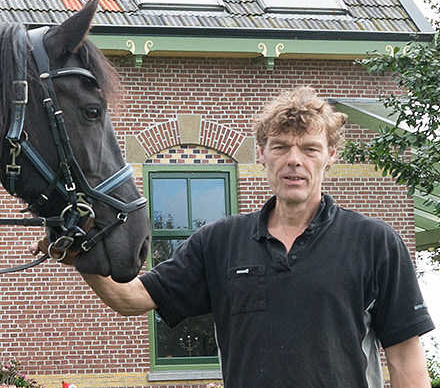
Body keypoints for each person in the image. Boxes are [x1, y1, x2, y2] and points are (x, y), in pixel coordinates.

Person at [33, 86, 435, 387]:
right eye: (280, 147)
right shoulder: (220, 241)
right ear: (261, 152)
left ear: (331, 155)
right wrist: (80, 254)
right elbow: (130, 298)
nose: (294, 160)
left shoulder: (375, 242)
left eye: (310, 149)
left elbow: (403, 356)